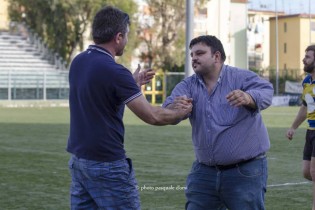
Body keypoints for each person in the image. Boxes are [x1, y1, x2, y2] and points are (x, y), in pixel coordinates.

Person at [66, 6, 192, 210]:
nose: (126, 40)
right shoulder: (116, 71)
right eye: (126, 36)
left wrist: (130, 85)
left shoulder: (79, 61)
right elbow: (152, 116)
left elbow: (101, 99)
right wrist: (180, 111)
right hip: (107, 164)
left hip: (79, 161)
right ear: (118, 37)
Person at [163, 35, 274, 210]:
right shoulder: (188, 85)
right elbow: (168, 108)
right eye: (192, 54)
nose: (194, 58)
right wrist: (174, 108)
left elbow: (266, 91)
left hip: (245, 171)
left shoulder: (240, 77)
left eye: (199, 53)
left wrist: (249, 97)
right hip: (204, 171)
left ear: (216, 56)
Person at [286, 45, 315, 210]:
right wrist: (293, 127)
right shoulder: (306, 82)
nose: (304, 60)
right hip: (310, 132)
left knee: (314, 171)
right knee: (307, 172)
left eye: (308, 57)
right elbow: (305, 107)